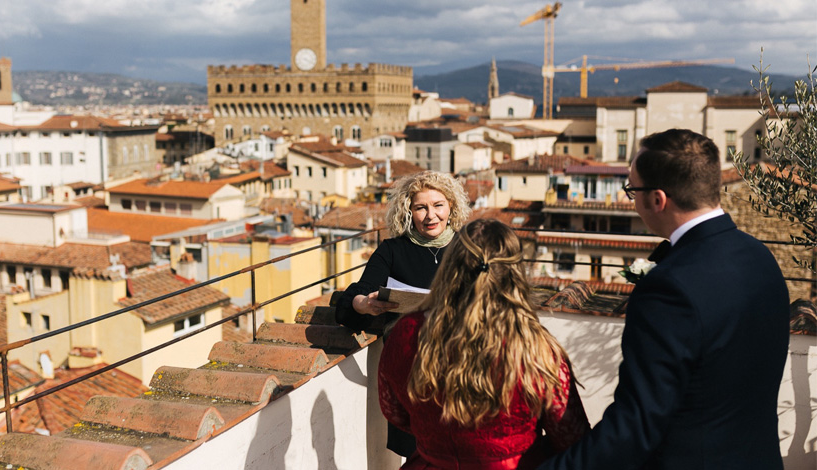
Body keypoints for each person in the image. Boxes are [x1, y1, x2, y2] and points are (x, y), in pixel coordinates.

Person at [539, 129, 790, 470]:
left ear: (657, 199)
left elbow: (636, 425)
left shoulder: (669, 288)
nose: (631, 198)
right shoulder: (760, 257)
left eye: (632, 190)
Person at [378, 219, 590, 469]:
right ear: (514, 273)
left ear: (450, 268)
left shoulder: (406, 332)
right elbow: (572, 438)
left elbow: (396, 414)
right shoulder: (535, 347)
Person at [335, 170, 471, 457]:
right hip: (412, 377)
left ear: (451, 207)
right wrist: (362, 303)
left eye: (438, 205)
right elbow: (354, 298)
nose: (430, 215)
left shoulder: (467, 249)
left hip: (461, 369)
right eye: (421, 207)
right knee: (418, 456)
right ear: (408, 211)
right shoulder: (392, 251)